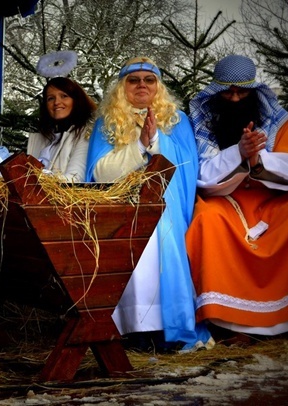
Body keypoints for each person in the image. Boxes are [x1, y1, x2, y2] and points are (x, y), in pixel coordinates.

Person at [186, 54, 288, 338]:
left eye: (242, 91)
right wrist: (239, 153)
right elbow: (200, 175)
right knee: (206, 220)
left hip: (272, 200)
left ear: (254, 91)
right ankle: (224, 321)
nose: (234, 99)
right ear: (215, 91)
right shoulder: (201, 124)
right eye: (227, 92)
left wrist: (259, 161)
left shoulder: (278, 123)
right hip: (224, 201)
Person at [85, 56, 212, 351]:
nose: (141, 85)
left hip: (167, 204)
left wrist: (155, 140)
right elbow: (99, 172)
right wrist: (140, 145)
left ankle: (166, 332)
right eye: (133, 80)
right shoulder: (107, 122)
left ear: (158, 86)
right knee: (134, 235)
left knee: (160, 231)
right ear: (122, 87)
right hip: (120, 206)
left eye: (149, 80)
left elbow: (186, 167)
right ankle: (134, 330)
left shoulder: (177, 121)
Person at [26, 76, 97, 182]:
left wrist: (39, 179)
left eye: (64, 96)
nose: (56, 102)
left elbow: (74, 179)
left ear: (76, 100)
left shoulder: (86, 134)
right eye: (51, 98)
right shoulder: (41, 138)